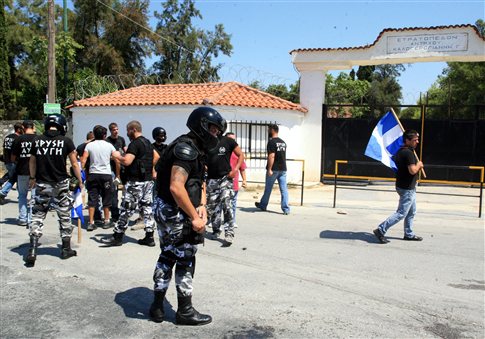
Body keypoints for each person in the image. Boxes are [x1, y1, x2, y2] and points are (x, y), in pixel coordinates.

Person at [149, 106, 226, 326]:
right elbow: (176, 186)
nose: (215, 135)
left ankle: (157, 306)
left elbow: (198, 180)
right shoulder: (186, 149)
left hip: (172, 209)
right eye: (212, 129)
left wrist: (201, 204)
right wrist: (194, 217)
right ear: (201, 126)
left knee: (167, 255)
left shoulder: (194, 147)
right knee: (184, 258)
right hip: (175, 212)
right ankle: (184, 310)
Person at [25, 114, 83, 266]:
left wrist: (32, 177)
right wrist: (80, 180)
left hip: (42, 183)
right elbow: (74, 163)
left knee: (38, 214)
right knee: (64, 215)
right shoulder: (66, 141)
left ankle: (32, 249)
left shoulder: (37, 140)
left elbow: (32, 161)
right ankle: (65, 248)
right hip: (60, 183)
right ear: (62, 125)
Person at [107, 120, 159, 247]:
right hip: (147, 181)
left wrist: (116, 156)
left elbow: (127, 161)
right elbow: (156, 156)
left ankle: (118, 236)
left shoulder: (135, 144)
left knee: (126, 209)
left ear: (133, 130)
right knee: (147, 208)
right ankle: (149, 236)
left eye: (128, 130)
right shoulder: (147, 142)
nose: (127, 133)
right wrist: (148, 168)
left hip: (135, 182)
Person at [373, 129, 424, 244]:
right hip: (407, 188)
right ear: (407, 140)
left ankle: (409, 234)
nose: (417, 142)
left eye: (417, 139)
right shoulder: (408, 153)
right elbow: (412, 170)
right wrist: (419, 165)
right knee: (401, 213)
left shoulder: (401, 151)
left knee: (412, 211)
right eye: (415, 140)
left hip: (405, 186)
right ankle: (381, 230)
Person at [206, 131, 244, 245]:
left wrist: (235, 170)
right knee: (212, 206)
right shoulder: (206, 142)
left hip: (225, 178)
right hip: (212, 179)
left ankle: (229, 233)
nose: (214, 130)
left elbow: (241, 155)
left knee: (227, 204)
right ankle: (216, 230)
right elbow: (201, 158)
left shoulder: (228, 141)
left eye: (216, 128)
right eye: (211, 128)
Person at [81, 125, 119, 231]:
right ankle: (107, 221)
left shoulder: (89, 146)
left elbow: (83, 160)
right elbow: (117, 160)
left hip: (93, 174)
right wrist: (118, 174)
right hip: (106, 174)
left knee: (92, 198)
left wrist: (82, 173)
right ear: (105, 135)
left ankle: (91, 222)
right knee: (107, 197)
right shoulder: (109, 146)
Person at [255, 124, 290, 215]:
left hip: (274, 169)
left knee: (268, 188)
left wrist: (269, 169)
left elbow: (272, 156)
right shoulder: (283, 142)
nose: (268, 131)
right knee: (284, 189)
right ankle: (286, 209)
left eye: (269, 129)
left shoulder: (271, 142)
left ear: (273, 130)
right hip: (283, 169)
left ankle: (263, 205)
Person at [10, 120, 36, 226]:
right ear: (33, 127)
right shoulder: (38, 138)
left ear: (23, 128)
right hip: (35, 172)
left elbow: (13, 157)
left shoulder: (19, 139)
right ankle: (32, 219)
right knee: (34, 196)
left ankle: (23, 218)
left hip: (22, 170)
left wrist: (18, 161)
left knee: (22, 195)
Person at [76, 131, 103, 224]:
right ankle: (97, 215)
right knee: (97, 195)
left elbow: (77, 152)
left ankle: (96, 215)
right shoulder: (92, 146)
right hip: (96, 172)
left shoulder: (84, 146)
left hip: (90, 173)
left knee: (93, 196)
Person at [106, 122, 127, 222]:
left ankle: (123, 211)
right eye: (114, 130)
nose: (116, 131)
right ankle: (115, 213)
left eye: (117, 129)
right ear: (110, 131)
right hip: (112, 170)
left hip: (121, 169)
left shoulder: (121, 139)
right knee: (113, 191)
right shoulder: (107, 141)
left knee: (123, 190)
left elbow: (125, 150)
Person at [0, 122, 24, 204]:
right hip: (14, 162)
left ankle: (20, 195)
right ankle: (3, 193)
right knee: (14, 178)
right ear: (18, 129)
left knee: (13, 177)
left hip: (7, 161)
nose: (23, 130)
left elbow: (4, 149)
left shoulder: (7, 137)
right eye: (22, 128)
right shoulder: (18, 139)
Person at [226, 132, 247, 226]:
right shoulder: (221, 151)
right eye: (230, 139)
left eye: (233, 139)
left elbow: (242, 168)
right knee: (220, 203)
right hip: (222, 183)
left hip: (233, 183)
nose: (232, 141)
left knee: (233, 203)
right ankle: (215, 221)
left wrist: (244, 180)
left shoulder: (238, 153)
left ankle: (232, 221)